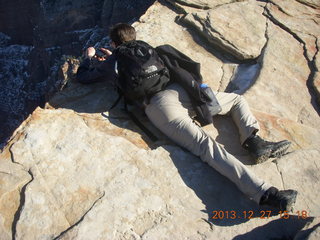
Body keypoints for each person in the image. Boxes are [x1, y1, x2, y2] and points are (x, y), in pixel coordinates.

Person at [76, 23, 297, 212]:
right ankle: (253, 140)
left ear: (114, 44)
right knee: (236, 101)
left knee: (207, 148)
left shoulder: (114, 60)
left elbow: (84, 77)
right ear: (134, 37)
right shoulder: (147, 49)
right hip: (183, 93)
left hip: (160, 108)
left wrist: (90, 59)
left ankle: (267, 195)